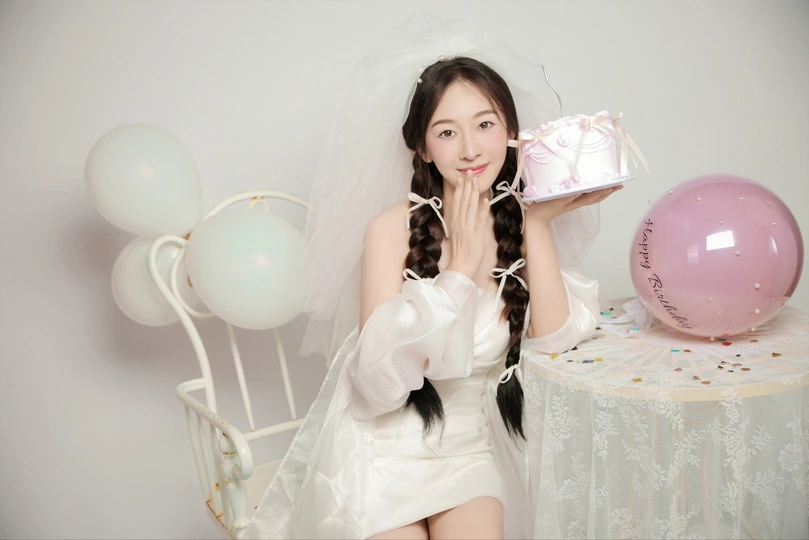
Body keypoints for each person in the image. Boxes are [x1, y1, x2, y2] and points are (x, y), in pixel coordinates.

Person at [244, 14, 611, 539]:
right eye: (446, 132)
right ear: (422, 147)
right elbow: (376, 384)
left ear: (511, 133)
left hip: (467, 451)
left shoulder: (517, 223)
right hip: (380, 450)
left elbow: (553, 339)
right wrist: (458, 271)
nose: (470, 149)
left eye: (485, 125)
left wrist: (537, 224)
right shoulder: (390, 230)